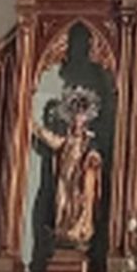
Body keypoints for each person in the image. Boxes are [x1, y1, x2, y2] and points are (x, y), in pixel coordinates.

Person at [34, 87, 103, 250]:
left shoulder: (89, 139)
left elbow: (95, 155)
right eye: (75, 115)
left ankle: (78, 234)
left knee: (80, 205)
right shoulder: (67, 139)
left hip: (81, 179)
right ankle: (63, 232)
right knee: (63, 204)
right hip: (66, 178)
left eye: (81, 115)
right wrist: (35, 127)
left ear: (86, 118)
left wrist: (91, 161)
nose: (78, 119)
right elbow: (53, 141)